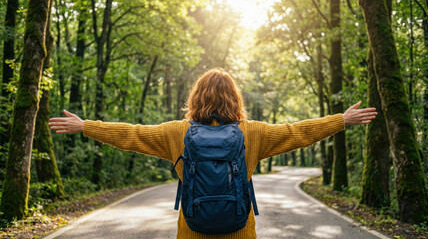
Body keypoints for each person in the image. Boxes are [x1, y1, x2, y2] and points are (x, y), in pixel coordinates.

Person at [49, 67, 377, 239]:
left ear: (195, 97)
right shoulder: (253, 133)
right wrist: (341, 120)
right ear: (235, 98)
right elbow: (299, 132)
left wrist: (87, 126)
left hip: (192, 230)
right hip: (239, 230)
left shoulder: (176, 132)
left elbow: (131, 134)